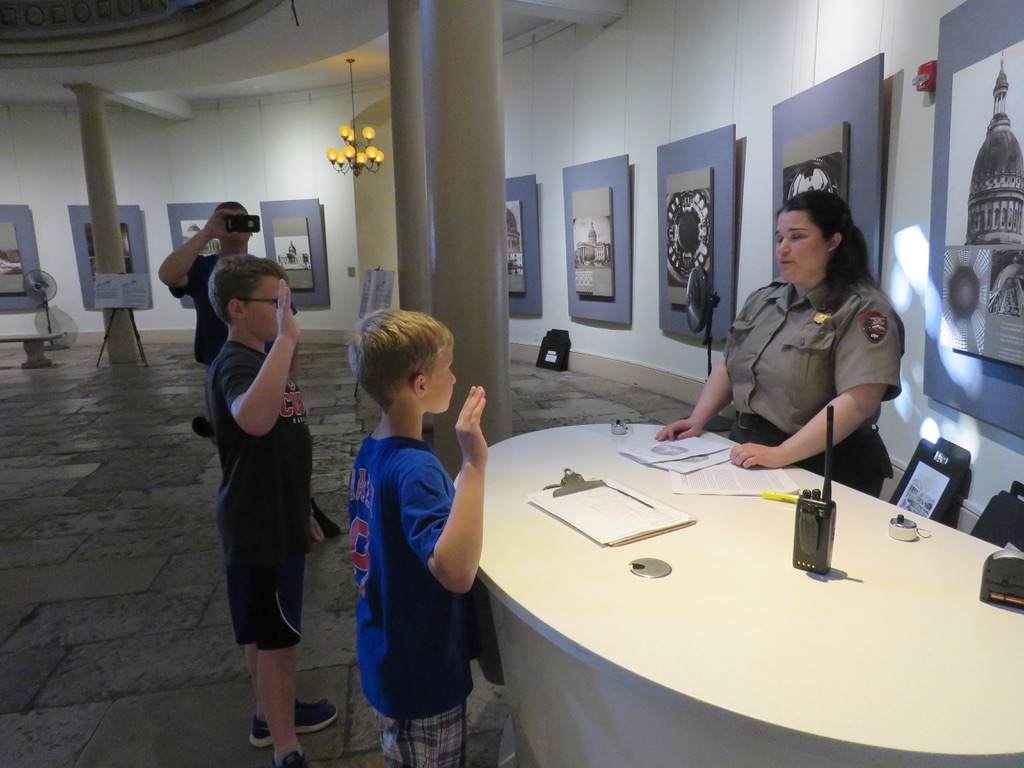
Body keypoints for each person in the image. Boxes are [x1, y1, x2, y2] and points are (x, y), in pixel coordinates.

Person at [656, 190, 902, 498]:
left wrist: (782, 454)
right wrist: (697, 419)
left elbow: (859, 402)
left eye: (797, 237)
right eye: (779, 238)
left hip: (824, 464)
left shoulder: (863, 309)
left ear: (833, 242)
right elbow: (730, 365)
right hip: (752, 449)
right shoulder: (765, 299)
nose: (783, 249)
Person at [207, 255, 336, 768]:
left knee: (265, 630)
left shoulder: (259, 359)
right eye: (276, 303)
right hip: (258, 525)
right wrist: (285, 341)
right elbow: (255, 421)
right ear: (238, 308)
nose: (288, 313)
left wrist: (302, 506)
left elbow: (282, 446)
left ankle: (270, 714)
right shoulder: (236, 363)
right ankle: (286, 747)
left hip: (275, 514)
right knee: (277, 642)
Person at [347, 308, 488, 768]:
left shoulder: (373, 449)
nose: (455, 378)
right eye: (448, 368)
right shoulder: (416, 468)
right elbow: (455, 571)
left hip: (385, 645)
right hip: (420, 664)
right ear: (421, 385)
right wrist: (473, 463)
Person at [158, 202, 341, 537]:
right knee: (247, 448)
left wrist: (291, 376)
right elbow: (169, 274)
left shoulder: (262, 275)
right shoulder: (205, 268)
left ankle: (302, 506)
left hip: (270, 363)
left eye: (242, 219)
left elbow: (289, 323)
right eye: (228, 219)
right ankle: (266, 512)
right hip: (233, 367)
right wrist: (208, 234)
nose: (236, 225)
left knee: (284, 441)